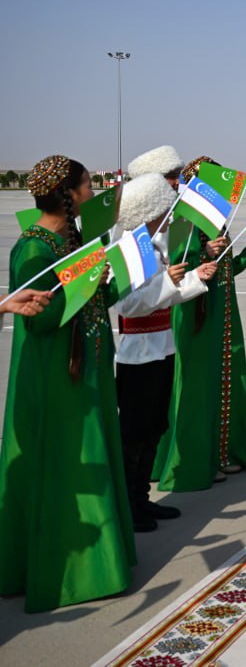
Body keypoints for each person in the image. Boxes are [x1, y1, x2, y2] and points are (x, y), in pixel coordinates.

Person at [1, 156, 134, 612]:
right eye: (86, 185)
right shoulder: (34, 249)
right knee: (73, 463)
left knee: (93, 454)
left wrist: (118, 277)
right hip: (59, 377)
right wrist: (86, 282)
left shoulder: (72, 240)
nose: (92, 192)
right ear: (68, 193)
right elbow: (38, 320)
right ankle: (80, 572)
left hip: (88, 370)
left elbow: (96, 301)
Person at [156, 156, 246, 492]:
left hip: (223, 313)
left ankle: (219, 452)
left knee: (225, 384)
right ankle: (194, 460)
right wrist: (203, 253)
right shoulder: (182, 224)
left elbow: (226, 271)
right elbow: (176, 272)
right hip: (195, 315)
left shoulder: (219, 224)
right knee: (197, 387)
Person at [114, 173, 215, 526]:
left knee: (155, 425)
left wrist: (194, 279)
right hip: (137, 351)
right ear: (149, 209)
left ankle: (142, 498)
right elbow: (127, 305)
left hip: (161, 346)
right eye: (165, 208)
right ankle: (129, 503)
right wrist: (167, 281)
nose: (171, 214)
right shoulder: (129, 247)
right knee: (135, 432)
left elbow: (164, 294)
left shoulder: (154, 244)